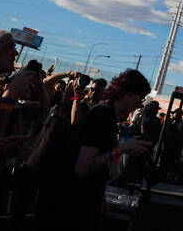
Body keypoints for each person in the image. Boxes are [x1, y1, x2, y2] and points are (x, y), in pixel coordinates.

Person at [37, 69, 152, 229]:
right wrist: (123, 149)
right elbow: (82, 168)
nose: (140, 104)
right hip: (73, 207)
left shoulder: (110, 115)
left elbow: (101, 160)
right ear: (128, 94)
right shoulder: (102, 115)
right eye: (140, 98)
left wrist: (101, 196)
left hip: (86, 203)